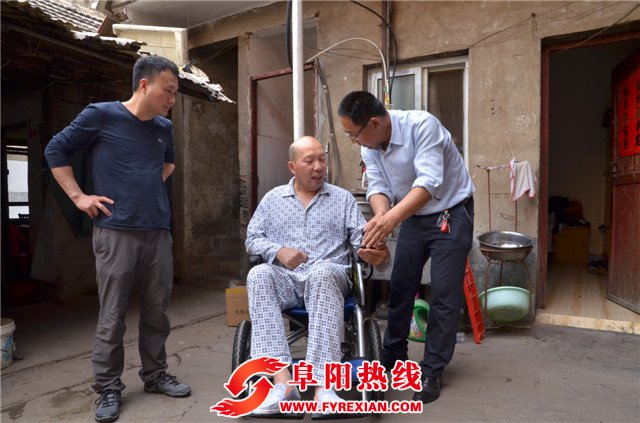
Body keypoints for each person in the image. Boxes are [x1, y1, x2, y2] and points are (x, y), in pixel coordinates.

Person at [44, 55, 191, 423]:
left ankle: (155, 375)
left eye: (175, 92)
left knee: (157, 311)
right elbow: (55, 150)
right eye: (168, 90)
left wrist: (146, 187)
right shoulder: (101, 115)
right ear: (144, 85)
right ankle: (108, 386)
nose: (172, 99)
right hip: (116, 232)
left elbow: (169, 162)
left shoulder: (163, 127)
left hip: (157, 230)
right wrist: (79, 197)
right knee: (113, 314)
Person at [338, 91, 475, 404]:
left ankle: (432, 369)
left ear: (374, 123)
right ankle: (393, 354)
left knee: (444, 294)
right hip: (413, 215)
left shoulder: (422, 126)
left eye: (353, 134)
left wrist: (389, 221)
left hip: (450, 212)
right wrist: (381, 217)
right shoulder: (370, 145)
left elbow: (428, 184)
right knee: (401, 285)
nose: (353, 141)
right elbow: (378, 187)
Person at [245, 136, 389, 415]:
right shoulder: (273, 200)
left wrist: (377, 252)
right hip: (286, 280)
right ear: (292, 166)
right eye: (309, 161)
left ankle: (324, 389)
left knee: (321, 272)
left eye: (322, 159)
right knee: (259, 274)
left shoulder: (342, 199)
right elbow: (252, 239)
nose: (318, 166)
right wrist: (278, 251)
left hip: (329, 279)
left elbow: (364, 244)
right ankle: (283, 385)